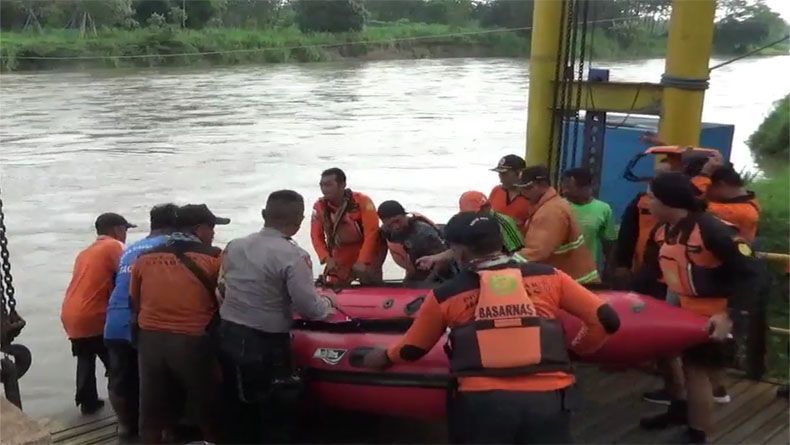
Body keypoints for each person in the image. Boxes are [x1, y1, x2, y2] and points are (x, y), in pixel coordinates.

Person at [357, 212, 620, 444]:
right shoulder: (551, 277)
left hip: (483, 404)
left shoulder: (446, 295)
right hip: (550, 400)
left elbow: (412, 349)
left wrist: (382, 356)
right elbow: (607, 319)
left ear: (458, 251)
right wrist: (574, 352)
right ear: (500, 240)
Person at [636, 172, 764, 444]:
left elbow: (752, 273)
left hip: (713, 313)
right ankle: (679, 410)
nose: (648, 203)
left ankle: (699, 434)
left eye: (652, 197)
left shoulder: (713, 230)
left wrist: (729, 315)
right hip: (681, 307)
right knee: (671, 359)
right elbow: (654, 268)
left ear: (669, 201)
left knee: (696, 371)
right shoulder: (665, 229)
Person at [218, 190, 335, 443]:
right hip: (265, 342)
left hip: (227, 334)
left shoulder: (234, 246)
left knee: (235, 407)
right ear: (299, 221)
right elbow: (310, 308)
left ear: (264, 214)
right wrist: (328, 303)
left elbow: (223, 286)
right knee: (275, 411)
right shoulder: (294, 255)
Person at [131, 204, 229, 444]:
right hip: (192, 341)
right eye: (212, 227)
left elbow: (135, 301)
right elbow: (226, 299)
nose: (214, 233)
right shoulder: (214, 256)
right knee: (208, 406)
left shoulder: (144, 258)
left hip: (150, 341)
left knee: (152, 409)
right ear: (199, 229)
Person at [103, 203, 177, 439]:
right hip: (142, 321)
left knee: (120, 376)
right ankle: (166, 429)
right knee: (157, 378)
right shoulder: (167, 248)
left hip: (114, 319)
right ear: (174, 226)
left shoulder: (131, 248)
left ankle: (125, 426)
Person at [61, 212, 135, 415]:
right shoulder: (114, 247)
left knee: (85, 355)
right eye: (125, 229)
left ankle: (88, 402)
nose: (126, 234)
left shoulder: (85, 253)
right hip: (96, 314)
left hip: (71, 313)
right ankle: (126, 407)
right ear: (116, 230)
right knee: (117, 362)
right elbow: (130, 275)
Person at [516, 166, 599, 284]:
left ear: (543, 184)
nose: (523, 193)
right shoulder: (549, 205)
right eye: (521, 188)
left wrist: (506, 263)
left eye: (527, 188)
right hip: (575, 278)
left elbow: (537, 251)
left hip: (574, 282)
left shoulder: (550, 211)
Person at [413, 191, 525, 275]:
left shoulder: (503, 222)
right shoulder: (468, 224)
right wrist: (435, 258)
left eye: (473, 212)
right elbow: (460, 249)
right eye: (466, 214)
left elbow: (518, 253)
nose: (470, 217)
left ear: (486, 207)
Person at [310, 168, 385, 285]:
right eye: (322, 185)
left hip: (368, 247)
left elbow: (372, 233)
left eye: (328, 185)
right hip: (341, 249)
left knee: (370, 280)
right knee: (332, 282)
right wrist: (326, 257)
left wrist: (363, 260)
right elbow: (316, 236)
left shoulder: (362, 201)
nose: (324, 189)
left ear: (342, 185)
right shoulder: (319, 206)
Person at [377, 200, 451, 283]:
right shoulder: (387, 231)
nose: (396, 227)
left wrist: (427, 282)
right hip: (416, 260)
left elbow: (445, 261)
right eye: (390, 224)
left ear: (405, 215)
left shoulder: (423, 233)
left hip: (445, 267)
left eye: (397, 221)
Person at [560, 168, 617, 271]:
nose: (564, 190)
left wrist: (610, 270)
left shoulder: (603, 209)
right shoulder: (557, 207)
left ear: (587, 187)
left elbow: (609, 244)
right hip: (559, 271)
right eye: (564, 186)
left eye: (569, 186)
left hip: (588, 273)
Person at [706, 166, 760, 242]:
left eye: (708, 187)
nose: (706, 192)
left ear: (721, 184)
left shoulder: (734, 211)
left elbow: (694, 207)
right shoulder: (752, 202)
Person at [489, 154, 532, 229]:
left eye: (504, 173)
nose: (500, 177)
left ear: (519, 173)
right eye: (499, 173)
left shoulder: (531, 197)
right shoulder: (496, 191)